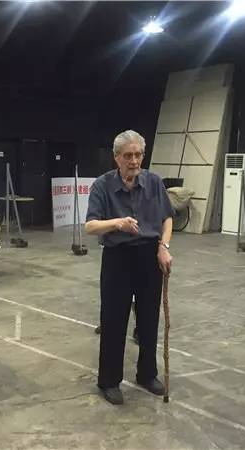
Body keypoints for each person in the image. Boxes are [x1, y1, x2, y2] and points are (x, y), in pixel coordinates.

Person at [85, 130, 174, 405]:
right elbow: (90, 226)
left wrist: (164, 246)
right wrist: (117, 223)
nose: (134, 161)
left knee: (148, 319)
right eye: (128, 156)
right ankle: (109, 381)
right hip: (118, 257)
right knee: (113, 320)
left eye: (138, 155)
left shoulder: (154, 182)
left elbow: (167, 218)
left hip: (149, 256)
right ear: (116, 158)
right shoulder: (102, 185)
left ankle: (147, 374)